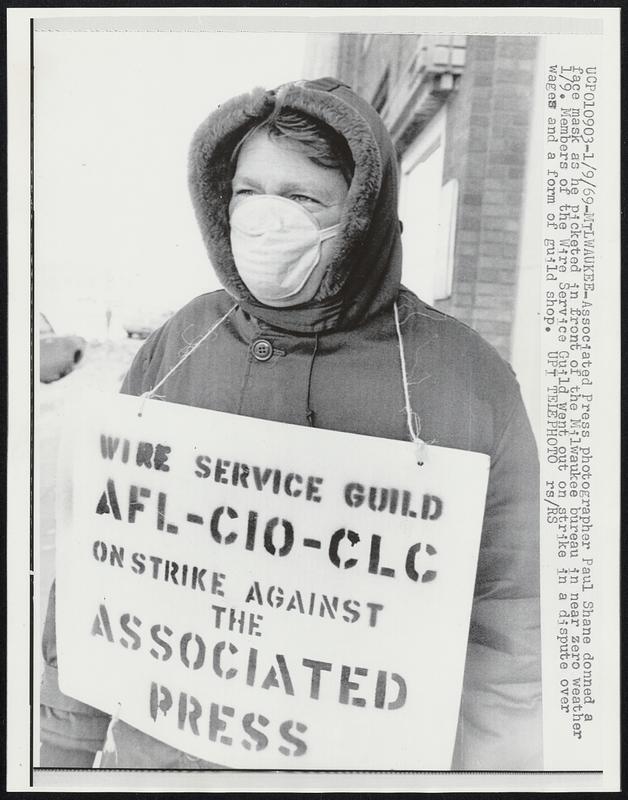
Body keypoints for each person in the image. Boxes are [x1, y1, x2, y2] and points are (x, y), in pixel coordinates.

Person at [40, 77, 542, 769]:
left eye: (304, 198)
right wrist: (63, 749)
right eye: (249, 192)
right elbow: (103, 563)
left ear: (362, 211)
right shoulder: (182, 341)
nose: (265, 219)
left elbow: (508, 634)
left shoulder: (468, 382)